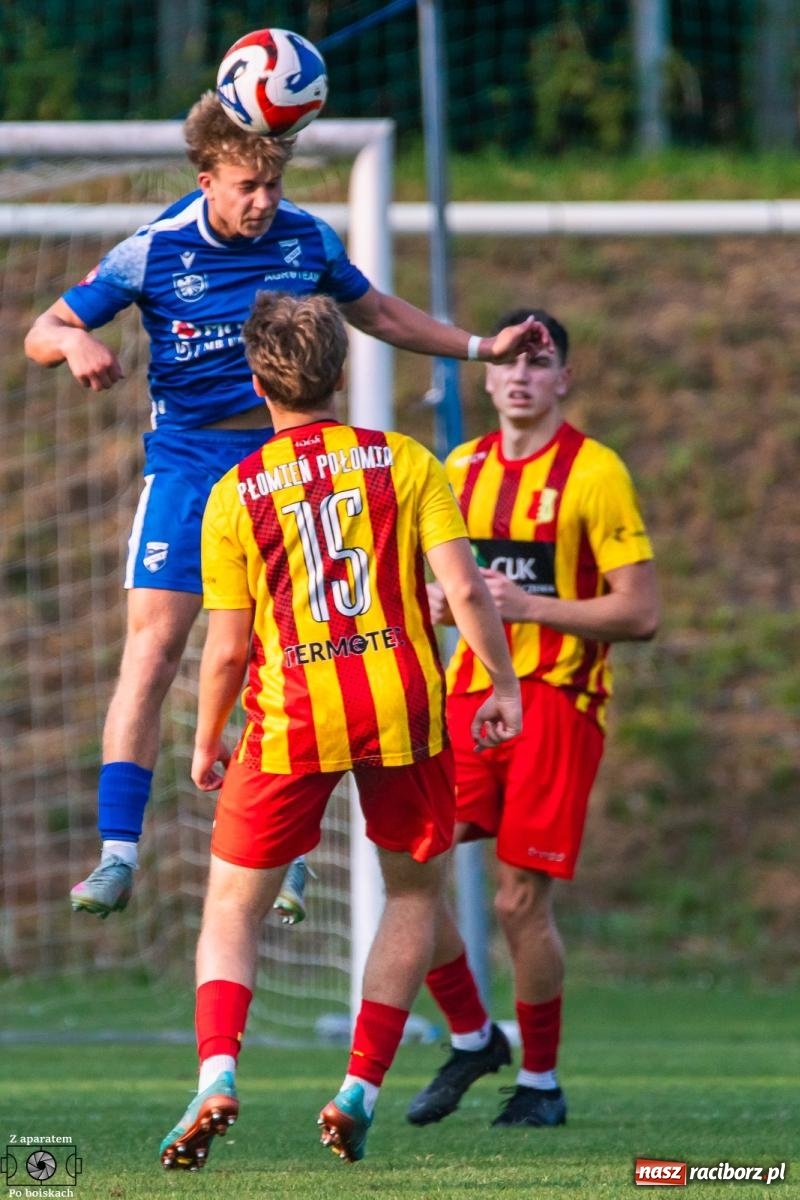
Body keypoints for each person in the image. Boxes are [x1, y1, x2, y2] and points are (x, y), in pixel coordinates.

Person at [23, 91, 542, 922]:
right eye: (246, 186)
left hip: (291, 469)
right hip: (192, 467)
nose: (263, 202)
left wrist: (480, 346)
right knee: (154, 651)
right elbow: (42, 329)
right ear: (207, 180)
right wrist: (77, 339)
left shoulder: (306, 237)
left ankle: (292, 856)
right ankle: (118, 851)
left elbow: (377, 312)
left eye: (272, 184)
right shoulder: (153, 250)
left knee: (308, 661)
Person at [158, 291, 523, 1170]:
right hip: (402, 705)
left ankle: (216, 1074)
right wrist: (501, 681)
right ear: (345, 371)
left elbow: (229, 647)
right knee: (408, 897)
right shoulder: (405, 461)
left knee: (234, 910)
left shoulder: (235, 492)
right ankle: (358, 1087)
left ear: (256, 381)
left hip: (290, 718)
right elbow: (466, 591)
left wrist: (210, 736)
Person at [406, 307, 659, 1129]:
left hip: (556, 699)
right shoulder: (458, 467)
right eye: (508, 359)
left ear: (563, 379)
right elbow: (430, 585)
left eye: (537, 360)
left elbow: (640, 612)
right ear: (485, 376)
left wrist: (534, 606)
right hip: (468, 694)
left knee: (519, 901)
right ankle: (475, 1035)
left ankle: (541, 1084)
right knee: (409, 865)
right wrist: (441, 605)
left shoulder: (595, 473)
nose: (520, 374)